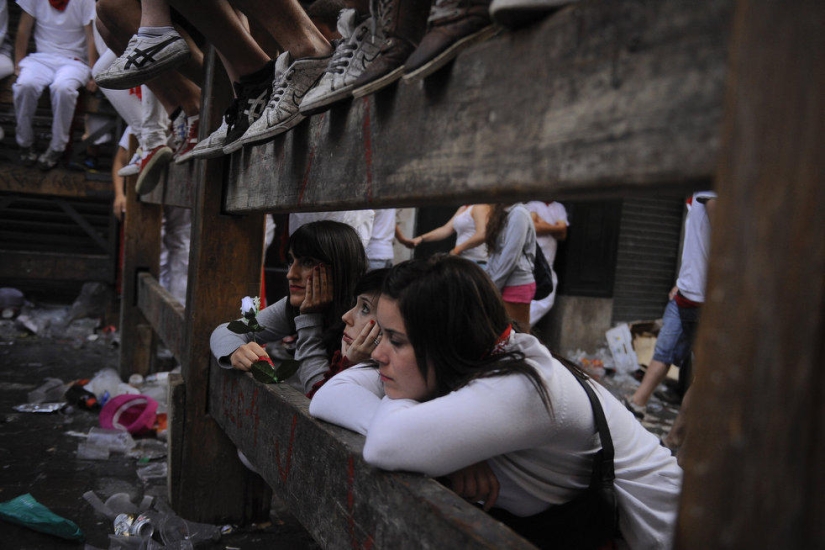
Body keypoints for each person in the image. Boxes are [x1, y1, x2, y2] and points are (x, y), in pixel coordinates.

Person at [309, 256, 682, 549]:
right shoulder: (475, 357)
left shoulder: (524, 386)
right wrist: (447, 444)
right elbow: (330, 396)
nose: (380, 352)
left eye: (396, 339)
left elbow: (386, 443)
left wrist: (421, 424)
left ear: (446, 342)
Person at [210, 220, 368, 394]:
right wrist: (235, 351)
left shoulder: (365, 316)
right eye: (291, 261)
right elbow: (225, 331)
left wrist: (309, 319)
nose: (290, 274)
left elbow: (320, 393)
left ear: (340, 268)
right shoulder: (295, 305)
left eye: (308, 262)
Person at [623, 191, 717, 423]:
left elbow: (726, 235)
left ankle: (681, 436)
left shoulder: (708, 188)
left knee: (705, 375)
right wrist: (681, 281)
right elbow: (697, 246)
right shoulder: (697, 194)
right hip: (685, 293)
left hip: (704, 300)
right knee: (663, 353)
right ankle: (638, 404)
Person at [13, 0, 98, 170]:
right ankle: (25, 142)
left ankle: (56, 147)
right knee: (25, 85)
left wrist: (93, 73)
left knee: (63, 89)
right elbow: (24, 28)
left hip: (74, 61)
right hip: (41, 58)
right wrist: (18, 63)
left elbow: (91, 36)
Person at [306, 267, 388, 397]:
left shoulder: (379, 384)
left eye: (365, 308)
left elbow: (319, 402)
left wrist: (349, 364)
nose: (346, 317)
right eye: (355, 304)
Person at [485, 203, 536, 333]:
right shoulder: (502, 212)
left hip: (515, 283)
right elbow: (495, 254)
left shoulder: (519, 213)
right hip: (501, 282)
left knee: (518, 336)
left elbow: (511, 256)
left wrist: (493, 287)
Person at [524, 200, 568, 327]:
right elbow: (534, 227)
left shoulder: (559, 207)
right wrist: (555, 227)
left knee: (546, 300)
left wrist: (543, 224)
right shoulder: (532, 204)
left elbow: (563, 233)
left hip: (548, 262)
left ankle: (519, 327)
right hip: (532, 259)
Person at [411, 204, 489, 265]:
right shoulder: (463, 208)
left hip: (476, 261)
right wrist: (421, 238)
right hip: (463, 260)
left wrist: (457, 250)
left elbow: (482, 234)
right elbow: (446, 229)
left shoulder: (479, 206)